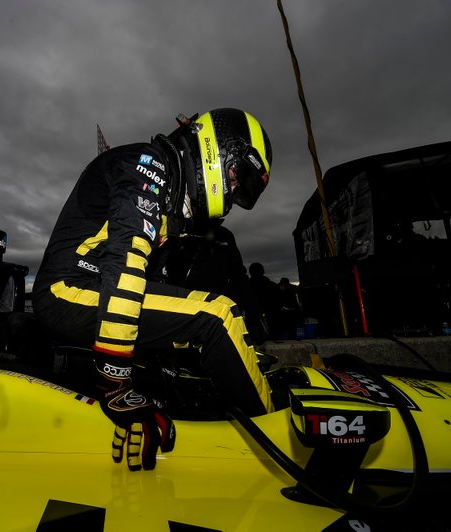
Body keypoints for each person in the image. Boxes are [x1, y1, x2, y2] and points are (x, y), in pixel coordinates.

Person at [33, 108, 274, 471]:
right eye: (239, 177)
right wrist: (116, 384)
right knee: (219, 315)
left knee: (203, 320)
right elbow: (126, 261)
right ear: (217, 148)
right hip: (67, 292)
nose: (235, 193)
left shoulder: (168, 190)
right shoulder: (148, 163)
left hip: (90, 293)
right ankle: (276, 438)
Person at [248, 262, 284, 340]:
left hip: (253, 321)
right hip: (272, 321)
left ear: (250, 273)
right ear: (263, 271)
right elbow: (279, 302)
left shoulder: (246, 287)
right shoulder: (273, 285)